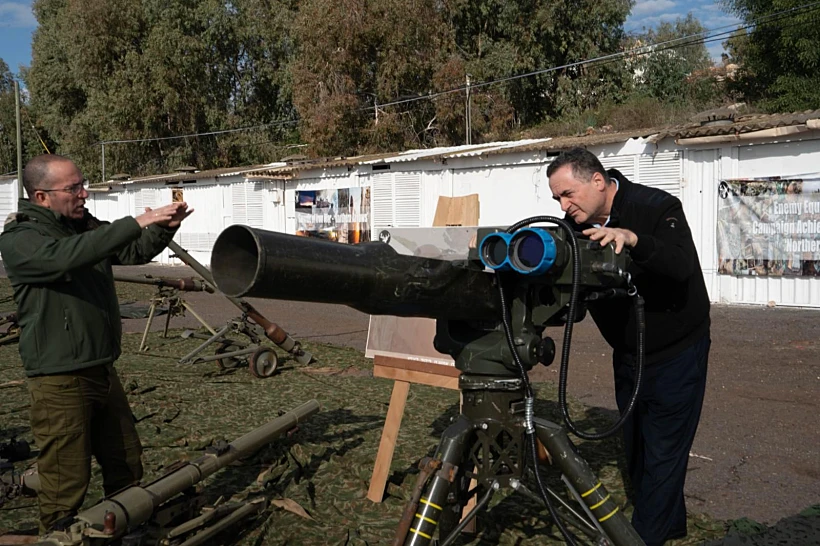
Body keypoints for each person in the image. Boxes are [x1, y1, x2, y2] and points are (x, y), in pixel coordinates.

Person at [0, 154, 193, 533]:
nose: (84, 193)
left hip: (102, 369)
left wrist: (162, 228)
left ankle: (125, 529)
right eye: (73, 188)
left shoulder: (80, 227)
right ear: (41, 197)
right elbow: (67, 258)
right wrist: (136, 221)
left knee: (125, 462)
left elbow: (129, 251)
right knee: (65, 481)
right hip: (59, 380)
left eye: (82, 183)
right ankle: (58, 537)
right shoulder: (21, 239)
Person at [546, 148, 711, 546]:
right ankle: (671, 526)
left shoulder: (655, 207)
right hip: (629, 356)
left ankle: (639, 539)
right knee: (637, 450)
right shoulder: (573, 229)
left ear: (598, 181)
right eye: (557, 200)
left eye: (568, 194)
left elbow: (680, 265)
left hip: (678, 352)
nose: (564, 206)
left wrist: (633, 240)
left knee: (664, 452)